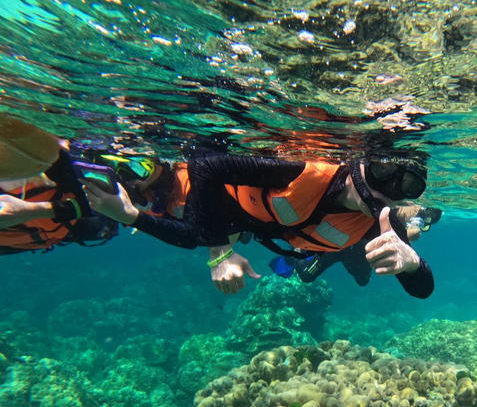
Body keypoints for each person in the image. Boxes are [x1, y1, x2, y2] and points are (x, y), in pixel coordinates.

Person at [84, 155, 435, 298]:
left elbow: (423, 290)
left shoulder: (381, 223)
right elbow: (204, 167)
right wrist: (220, 251)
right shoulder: (299, 169)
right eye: (381, 172)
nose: (382, 190)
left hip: (269, 229)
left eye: (403, 188)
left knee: (354, 270)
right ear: (360, 161)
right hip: (238, 209)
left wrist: (413, 262)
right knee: (200, 232)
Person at [0, 121, 119, 255]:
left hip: (81, 221)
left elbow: (100, 205)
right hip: (37, 233)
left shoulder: (52, 157)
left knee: (107, 218)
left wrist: (32, 211)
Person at [270, 204, 442, 287]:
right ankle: (295, 252)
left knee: (363, 281)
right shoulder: (402, 207)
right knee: (306, 275)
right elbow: (408, 218)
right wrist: (412, 229)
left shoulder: (410, 216)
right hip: (339, 245)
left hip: (361, 251)